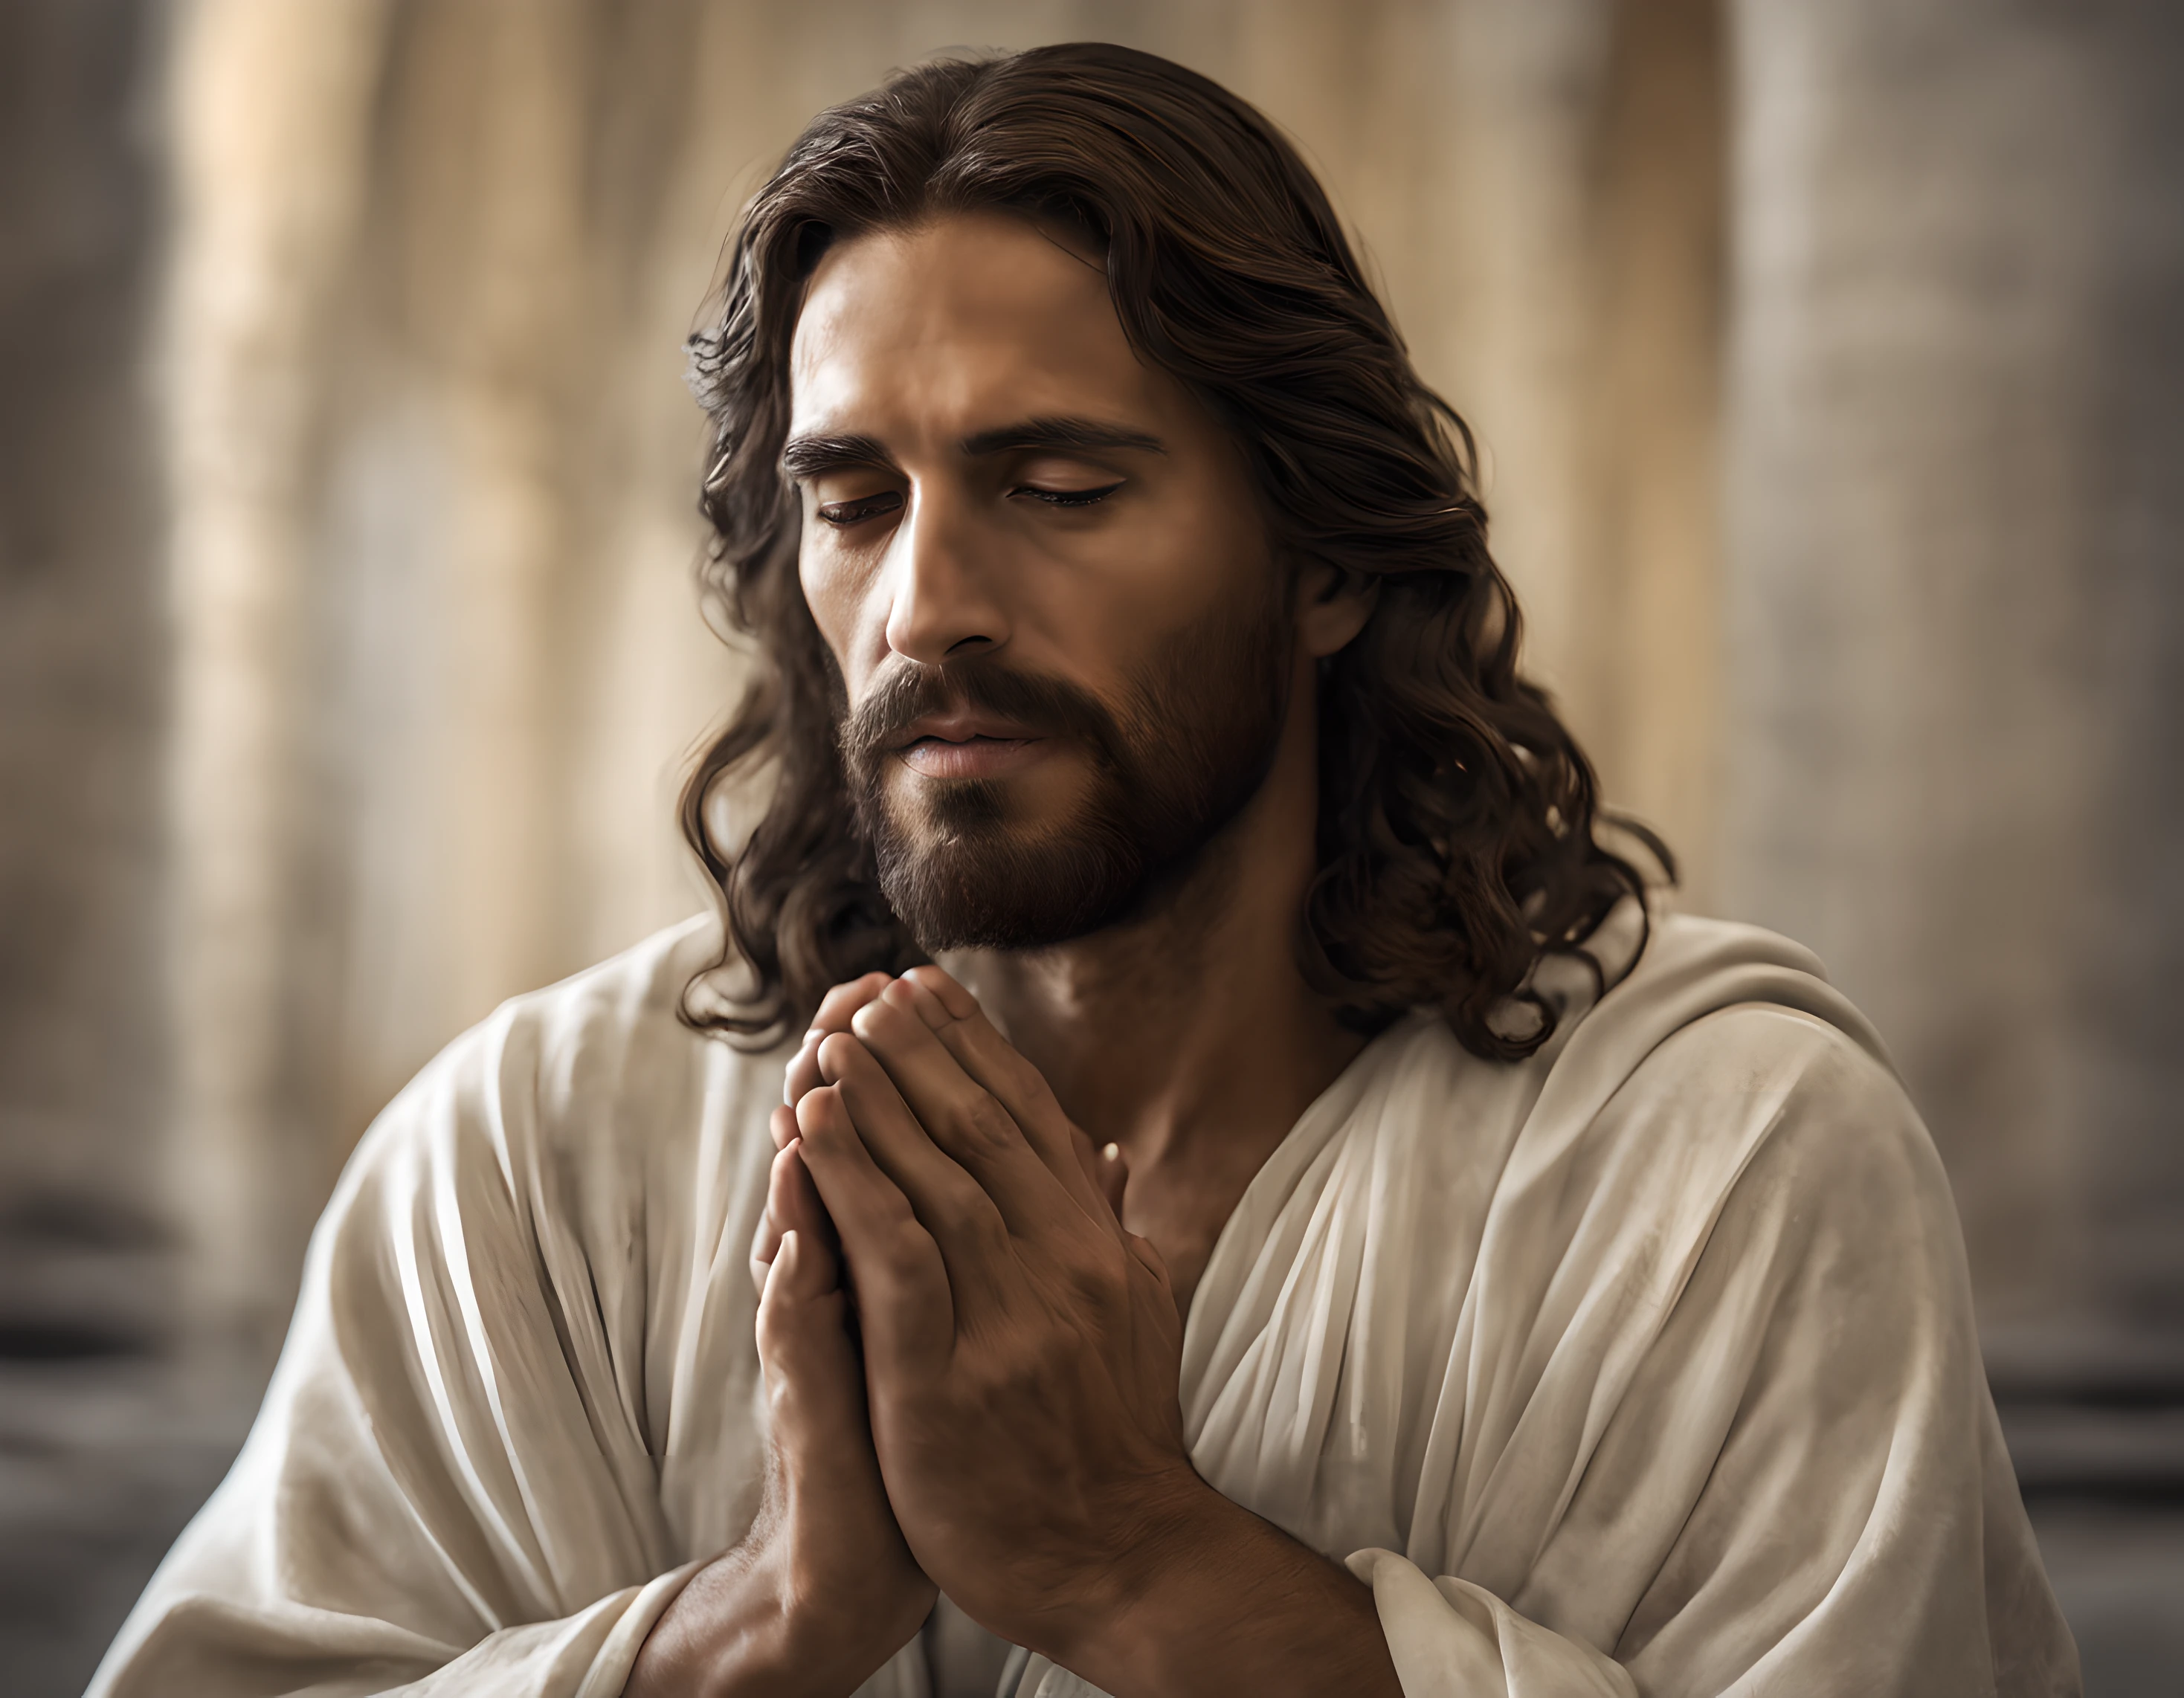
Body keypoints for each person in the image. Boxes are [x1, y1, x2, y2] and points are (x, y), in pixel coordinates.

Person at [90, 42, 2078, 1698]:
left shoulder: (1719, 1171)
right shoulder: (531, 1174)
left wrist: (1132, 1554)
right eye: (853, 502)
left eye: (1058, 488)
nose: (927, 604)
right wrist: (760, 1623)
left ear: (1321, 560)